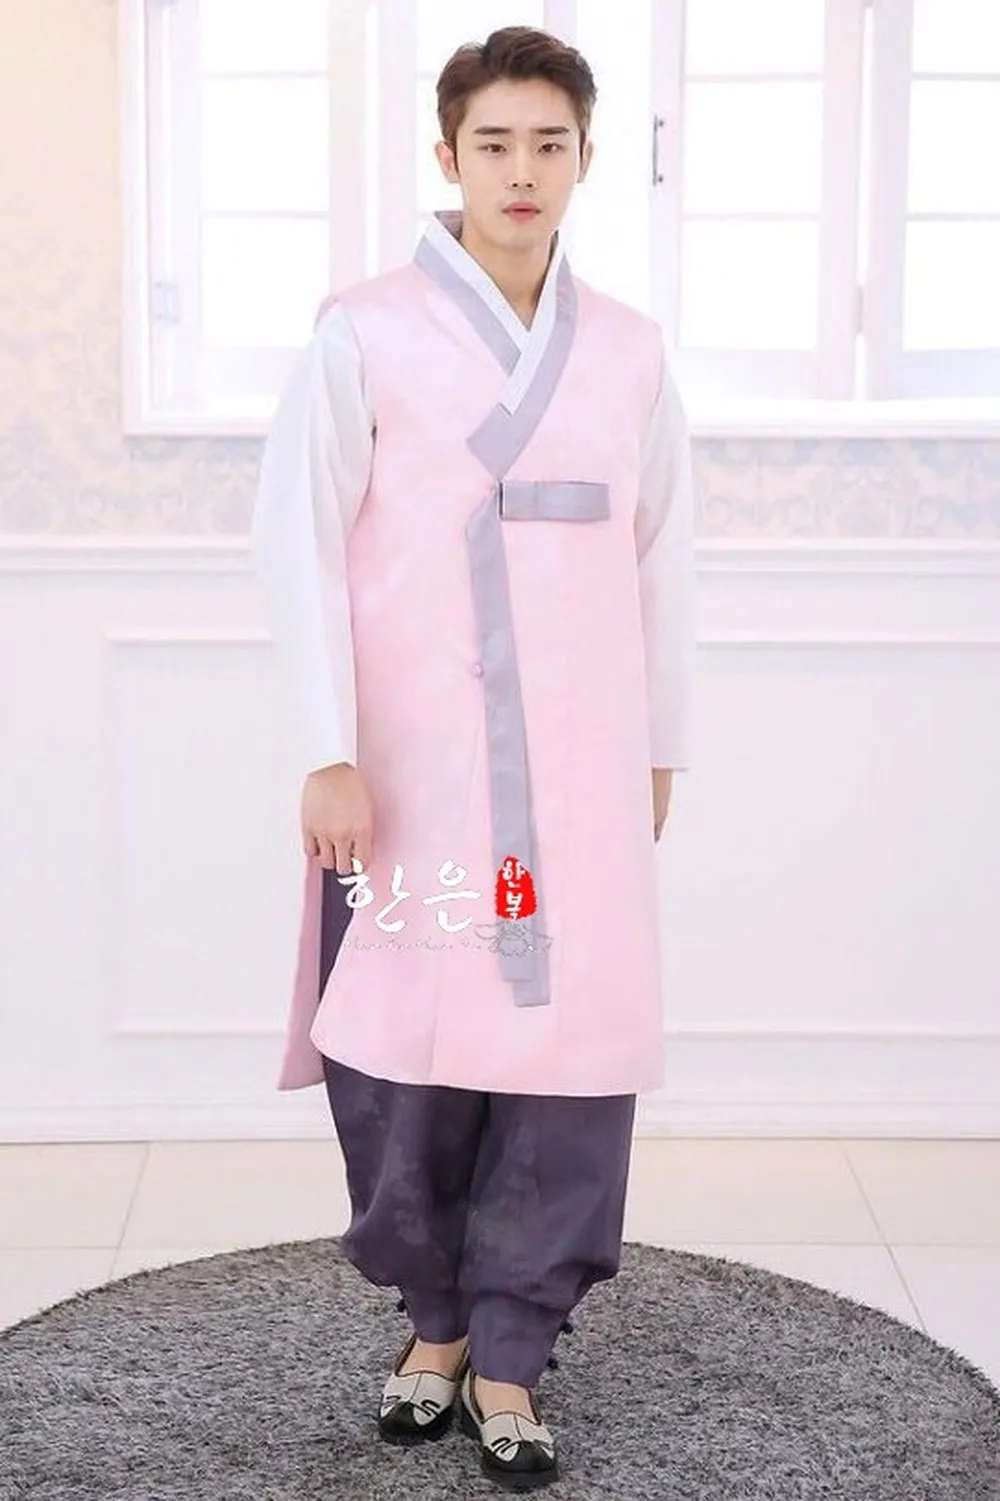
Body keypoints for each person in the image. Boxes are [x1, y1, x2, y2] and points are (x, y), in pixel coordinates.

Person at [249, 24, 696, 1493]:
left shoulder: (627, 352)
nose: (521, 170)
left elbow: (666, 556)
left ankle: (512, 1350)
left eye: (548, 144)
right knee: (402, 1053)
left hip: (577, 778)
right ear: (447, 155)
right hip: (410, 776)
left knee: (569, 1061)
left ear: (585, 159)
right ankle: (432, 1323)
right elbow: (298, 546)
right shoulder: (363, 333)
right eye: (493, 143)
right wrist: (325, 751)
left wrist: (660, 743)